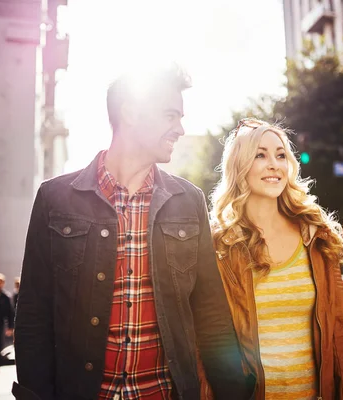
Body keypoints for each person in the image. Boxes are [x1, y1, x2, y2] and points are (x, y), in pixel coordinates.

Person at [13, 64, 253, 400]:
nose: (180, 129)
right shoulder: (54, 199)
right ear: (130, 112)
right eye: (170, 116)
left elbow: (211, 315)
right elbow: (33, 317)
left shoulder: (189, 201)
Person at [199, 119, 343, 399]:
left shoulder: (317, 237)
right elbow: (208, 344)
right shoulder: (219, 247)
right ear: (240, 166)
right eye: (260, 154)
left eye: (281, 154)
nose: (274, 164)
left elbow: (340, 335)